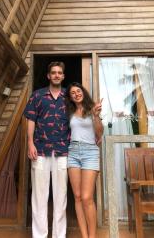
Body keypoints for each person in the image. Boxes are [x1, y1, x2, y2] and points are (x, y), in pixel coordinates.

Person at [23, 61, 70, 238]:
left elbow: (77, 119)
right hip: (40, 151)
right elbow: (31, 120)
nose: (57, 75)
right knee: (39, 197)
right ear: (48, 76)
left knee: (61, 197)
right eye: (53, 72)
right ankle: (39, 235)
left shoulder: (69, 96)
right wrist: (30, 143)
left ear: (63, 76)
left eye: (60, 73)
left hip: (63, 151)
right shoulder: (37, 95)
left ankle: (59, 235)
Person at [65, 82, 103, 238]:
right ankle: (85, 235)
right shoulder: (70, 112)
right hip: (73, 152)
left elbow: (100, 134)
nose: (76, 94)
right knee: (78, 197)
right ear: (70, 97)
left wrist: (95, 115)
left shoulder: (92, 108)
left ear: (83, 92)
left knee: (87, 197)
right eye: (72, 92)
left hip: (90, 152)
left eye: (78, 91)